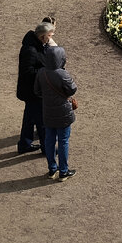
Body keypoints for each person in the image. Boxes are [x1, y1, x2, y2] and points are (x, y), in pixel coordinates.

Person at [35, 42, 78, 181]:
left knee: (49, 140)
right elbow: (72, 89)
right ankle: (63, 172)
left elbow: (37, 91)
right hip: (63, 113)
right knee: (63, 141)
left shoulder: (41, 72)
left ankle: (52, 169)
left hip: (48, 112)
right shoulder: (62, 73)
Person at [16, 17, 53, 154]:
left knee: (29, 118)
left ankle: (25, 144)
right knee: (42, 121)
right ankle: (47, 148)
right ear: (42, 36)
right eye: (49, 36)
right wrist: (46, 71)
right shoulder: (30, 50)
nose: (50, 38)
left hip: (31, 91)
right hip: (33, 92)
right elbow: (28, 72)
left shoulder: (36, 45)